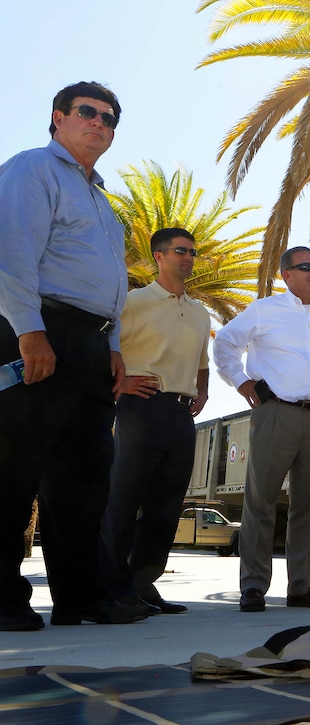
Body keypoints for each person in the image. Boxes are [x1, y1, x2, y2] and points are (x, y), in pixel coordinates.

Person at [0, 82, 147, 629]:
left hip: (91, 345)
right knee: (14, 471)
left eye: (110, 118)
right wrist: (29, 332)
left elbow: (111, 285)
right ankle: (3, 598)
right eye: (88, 113)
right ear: (58, 118)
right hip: (39, 329)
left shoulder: (102, 200)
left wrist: (111, 346)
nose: (100, 124)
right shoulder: (31, 169)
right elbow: (11, 253)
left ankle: (80, 597)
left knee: (84, 480)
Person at [213, 247, 310, 612]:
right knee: (260, 501)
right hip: (275, 414)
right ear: (287, 275)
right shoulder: (264, 310)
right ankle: (252, 587)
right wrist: (242, 383)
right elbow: (224, 344)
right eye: (305, 266)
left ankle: (302, 587)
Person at [98, 228, 211, 616]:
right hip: (141, 408)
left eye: (193, 252)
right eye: (181, 251)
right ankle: (113, 587)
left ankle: (144, 584)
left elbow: (202, 361)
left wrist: (203, 389)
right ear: (159, 256)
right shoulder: (133, 302)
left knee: (166, 507)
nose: (189, 258)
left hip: (182, 415)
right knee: (124, 501)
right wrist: (122, 382)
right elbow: (105, 346)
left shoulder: (199, 312)